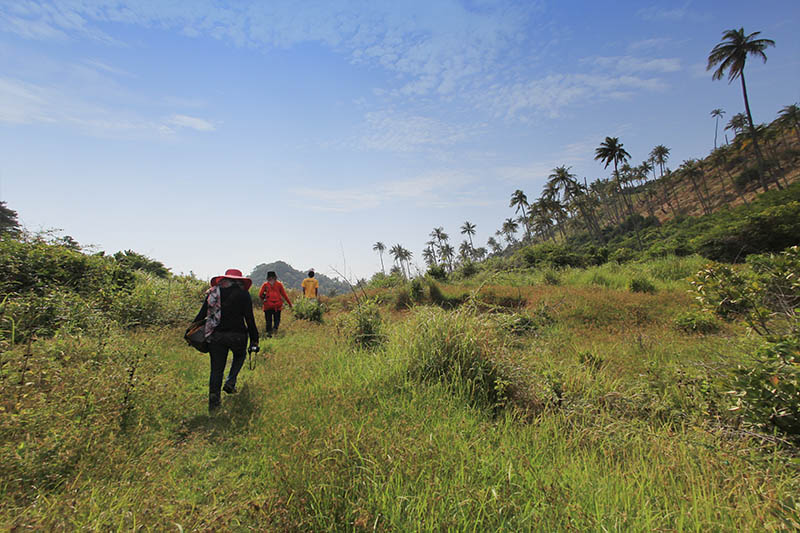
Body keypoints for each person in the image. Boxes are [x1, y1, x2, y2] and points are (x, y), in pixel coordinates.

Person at [193, 268, 259, 412]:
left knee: (216, 371)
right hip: (238, 335)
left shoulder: (213, 293)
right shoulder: (244, 294)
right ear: (240, 281)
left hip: (216, 336)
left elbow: (201, 314)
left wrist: (191, 331)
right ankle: (231, 380)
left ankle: (214, 405)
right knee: (240, 355)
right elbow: (249, 318)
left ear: (224, 279)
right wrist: (255, 339)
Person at [258, 270, 293, 337]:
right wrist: (290, 304)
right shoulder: (279, 284)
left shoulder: (265, 285)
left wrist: (264, 300)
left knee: (268, 321)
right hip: (277, 306)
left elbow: (260, 295)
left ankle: (269, 334)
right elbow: (284, 295)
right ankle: (275, 330)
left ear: (268, 277)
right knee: (277, 320)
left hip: (267, 306)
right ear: (275, 277)